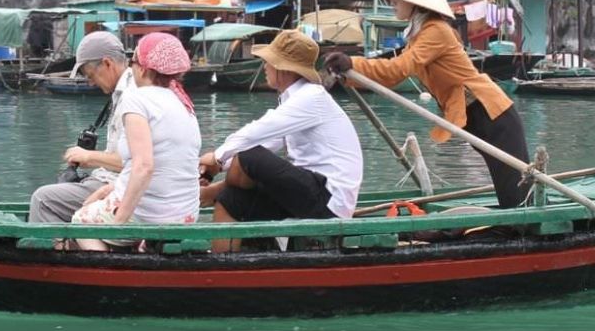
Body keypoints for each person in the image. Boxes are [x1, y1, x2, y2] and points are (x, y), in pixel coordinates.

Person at [325, 0, 532, 209]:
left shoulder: (435, 31)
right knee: (506, 183)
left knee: (515, 186)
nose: (392, 3)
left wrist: (353, 63)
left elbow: (397, 70)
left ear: (415, 2)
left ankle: (526, 232)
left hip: (491, 112)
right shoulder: (419, 34)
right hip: (475, 115)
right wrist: (352, 70)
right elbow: (391, 69)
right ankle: (513, 226)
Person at [199, 30, 363, 229]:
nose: (265, 67)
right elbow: (269, 141)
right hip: (312, 192)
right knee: (231, 199)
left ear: (283, 68)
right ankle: (224, 259)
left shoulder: (311, 97)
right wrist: (217, 165)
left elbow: (257, 132)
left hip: (329, 198)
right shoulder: (295, 99)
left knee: (248, 156)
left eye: (268, 62)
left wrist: (216, 158)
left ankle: (213, 191)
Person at [65, 32, 201, 251]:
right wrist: (111, 188)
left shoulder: (136, 99)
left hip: (149, 216)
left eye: (134, 62)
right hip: (186, 214)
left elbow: (144, 167)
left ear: (143, 68)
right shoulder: (184, 103)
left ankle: (105, 273)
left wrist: (118, 223)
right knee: (103, 203)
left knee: (81, 220)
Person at [27, 32, 133, 222]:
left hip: (119, 184)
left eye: (91, 75)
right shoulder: (123, 93)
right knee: (56, 191)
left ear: (108, 63)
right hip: (110, 179)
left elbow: (137, 161)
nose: (91, 82)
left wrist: (89, 157)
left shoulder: (132, 97)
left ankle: (61, 249)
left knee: (42, 199)